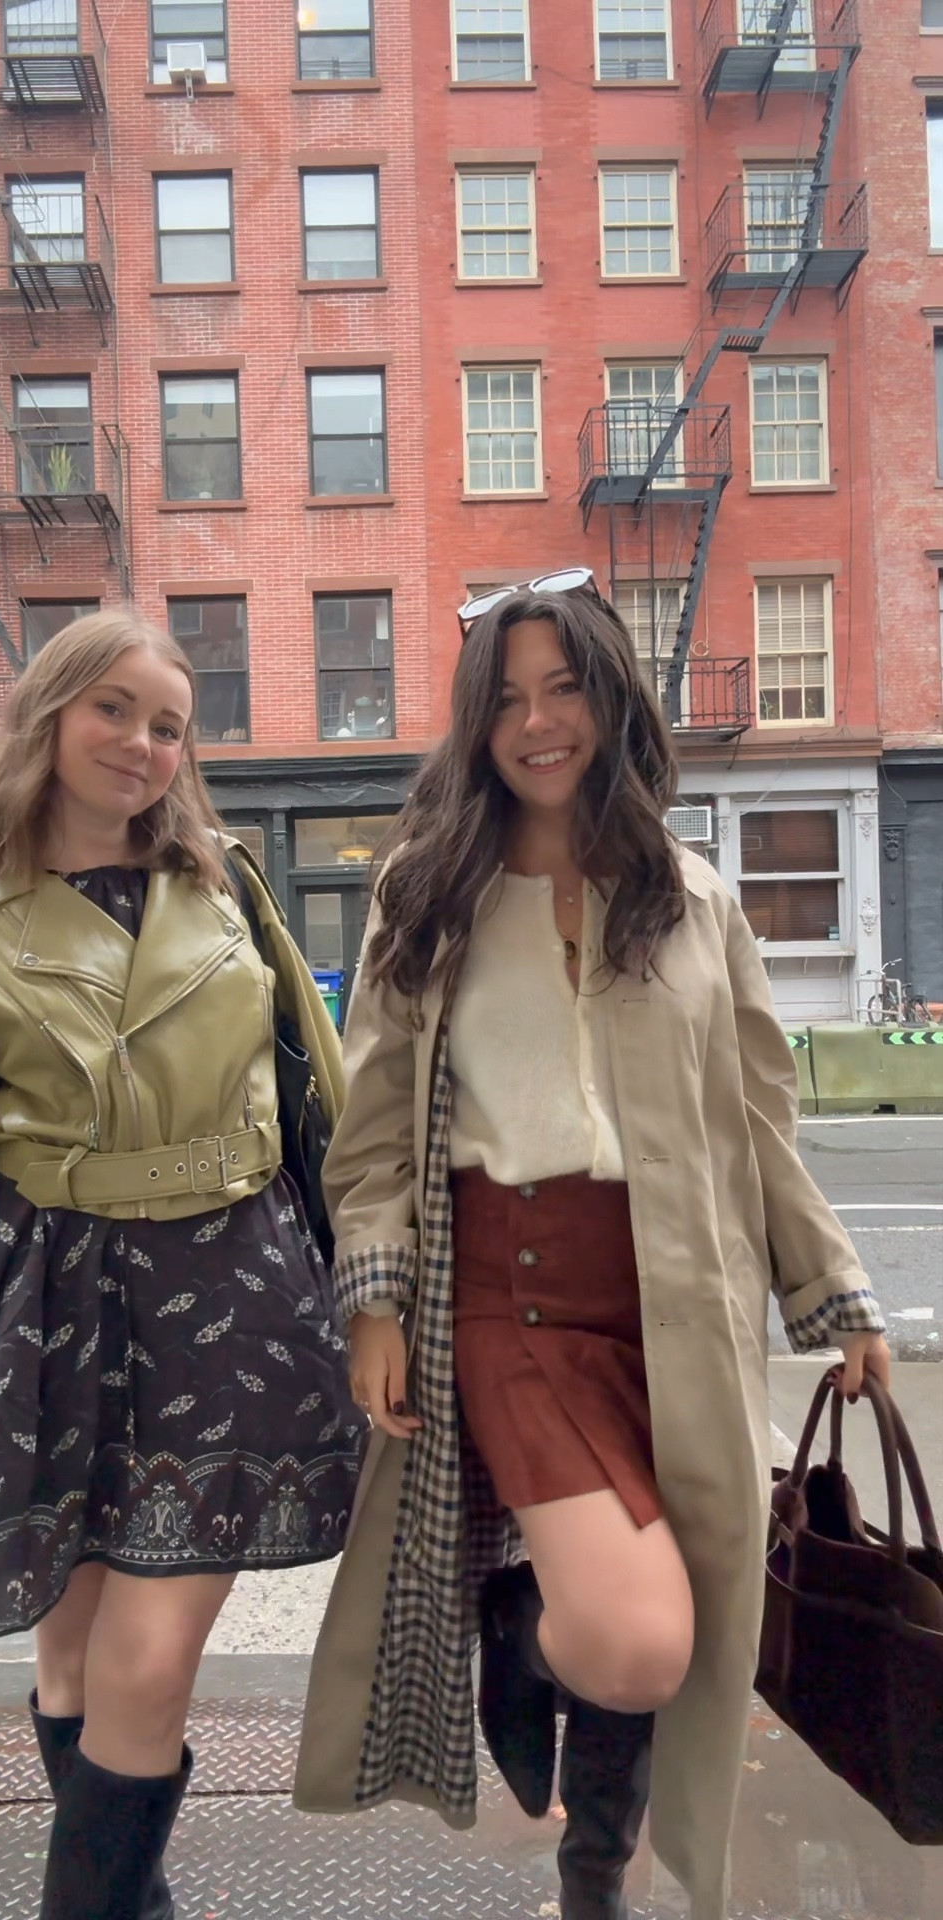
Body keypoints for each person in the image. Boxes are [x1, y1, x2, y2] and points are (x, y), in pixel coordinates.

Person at [293, 576, 891, 1920]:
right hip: (510, 1304)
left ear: (612, 698)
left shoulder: (692, 898)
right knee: (634, 1640)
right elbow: (374, 1122)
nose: (538, 722)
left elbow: (756, 1121)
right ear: (475, 724)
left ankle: (593, 1880)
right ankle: (520, 1633)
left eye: (563, 687)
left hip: (677, 1312)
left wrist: (834, 1289)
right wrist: (374, 1300)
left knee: (670, 1624)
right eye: (506, 698)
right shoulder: (425, 894)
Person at [0, 609, 364, 1920]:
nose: (143, 744)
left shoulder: (227, 886)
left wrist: (381, 1282)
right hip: (50, 1304)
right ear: (48, 713)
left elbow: (327, 1096)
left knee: (144, 1672)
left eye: (169, 726)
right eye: (115, 710)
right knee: (76, 1660)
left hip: (235, 1291)